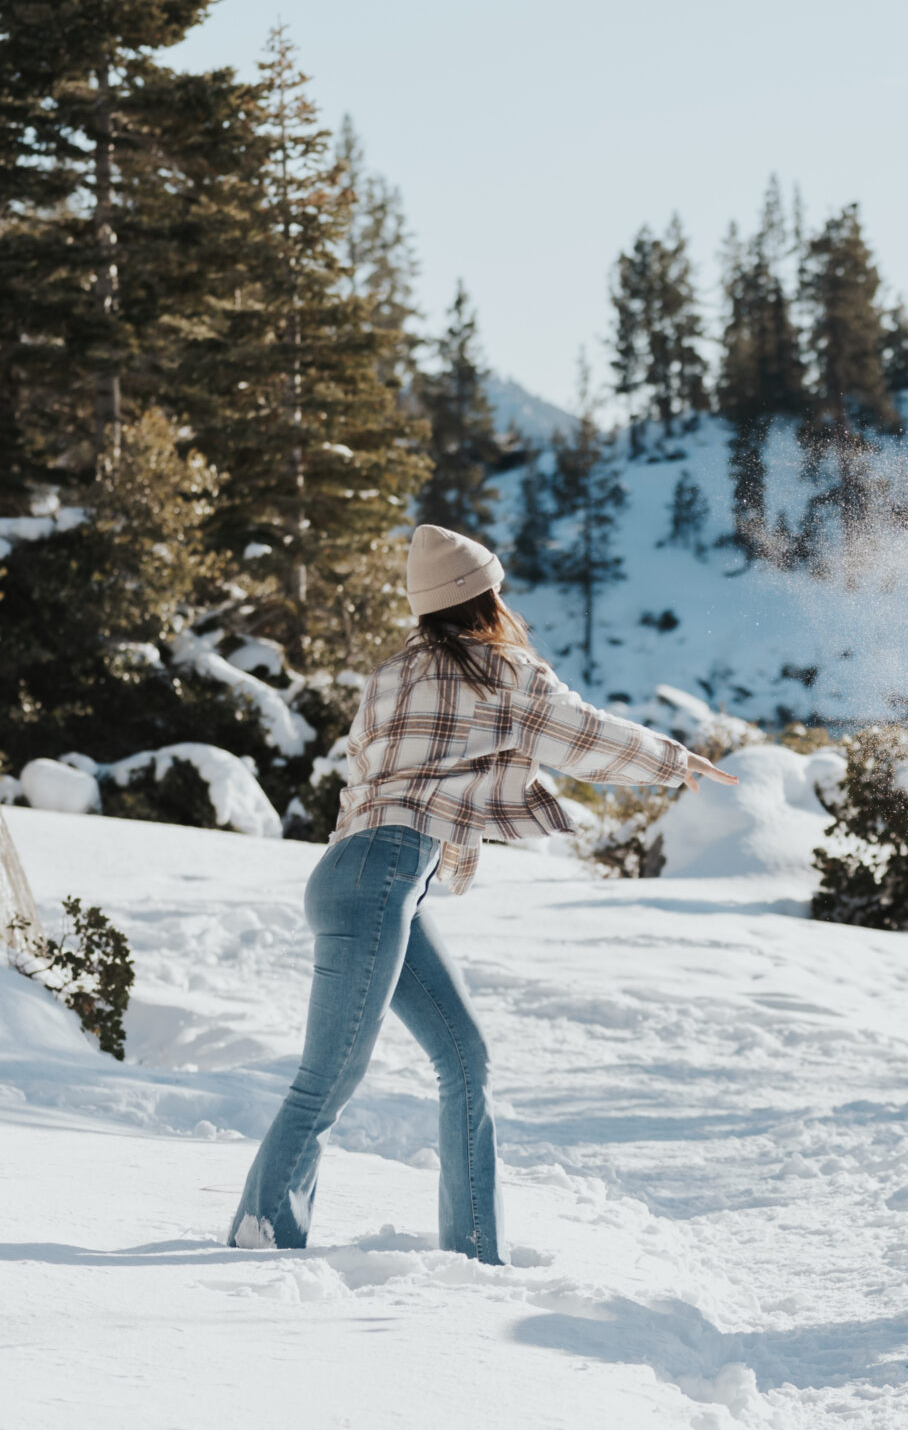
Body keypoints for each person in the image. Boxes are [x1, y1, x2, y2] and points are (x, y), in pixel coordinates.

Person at [229, 524, 735, 1264]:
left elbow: (364, 779)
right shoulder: (501, 672)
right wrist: (673, 760)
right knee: (329, 1076)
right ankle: (261, 1234)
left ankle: (473, 1249)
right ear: (485, 598)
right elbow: (583, 734)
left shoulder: (391, 675)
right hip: (382, 880)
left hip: (359, 874)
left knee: (465, 1054)